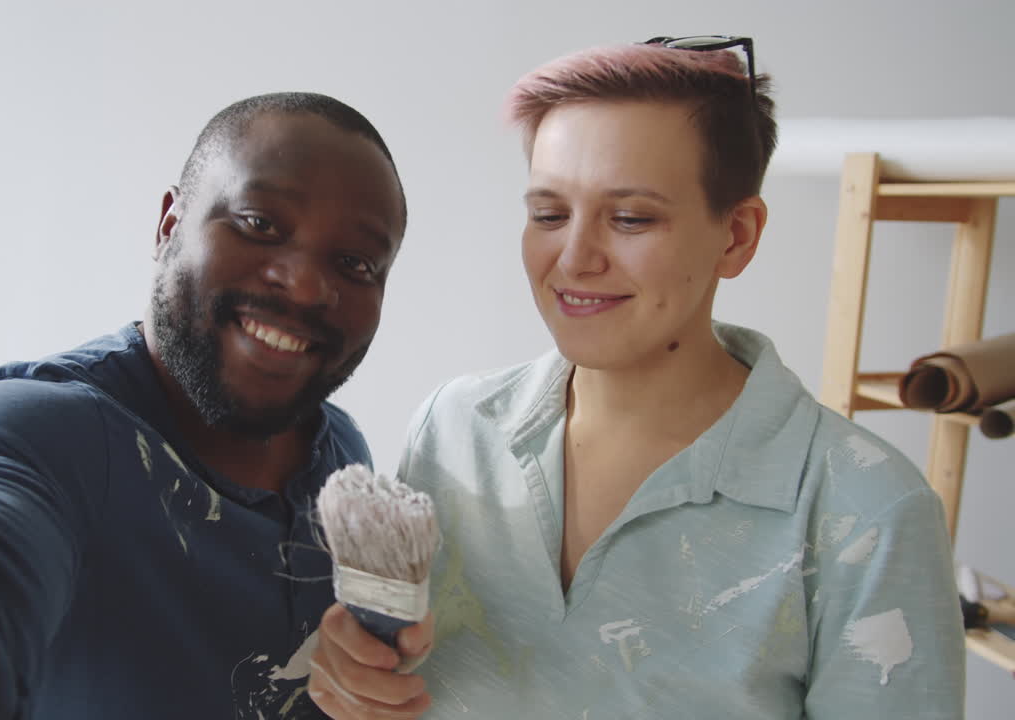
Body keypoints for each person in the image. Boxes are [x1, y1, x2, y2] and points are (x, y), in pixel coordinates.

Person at [309, 38, 965, 719]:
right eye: (549, 214)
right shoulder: (456, 426)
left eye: (630, 218)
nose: (575, 257)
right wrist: (356, 676)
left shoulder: (865, 510)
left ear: (736, 236)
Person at [0, 91, 408, 720]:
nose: (305, 284)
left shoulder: (339, 453)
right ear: (169, 225)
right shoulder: (47, 437)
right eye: (260, 223)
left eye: (355, 264)